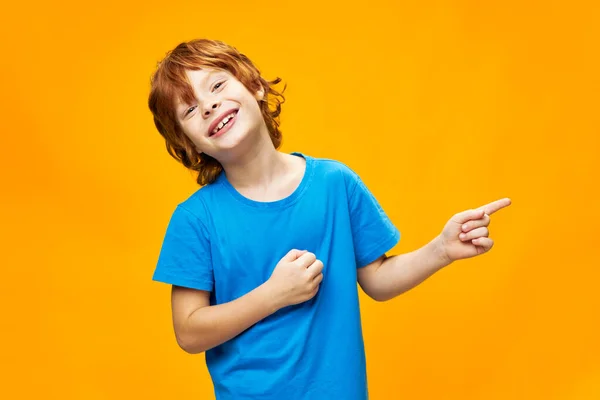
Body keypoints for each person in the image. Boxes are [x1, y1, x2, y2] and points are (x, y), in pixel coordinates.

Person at [148, 38, 511, 400]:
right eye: (190, 110)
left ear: (255, 86)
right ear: (188, 144)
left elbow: (378, 280)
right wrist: (272, 296)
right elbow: (189, 332)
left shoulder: (335, 183)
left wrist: (442, 250)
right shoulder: (195, 219)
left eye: (217, 85)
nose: (209, 105)